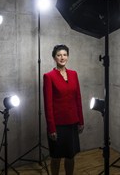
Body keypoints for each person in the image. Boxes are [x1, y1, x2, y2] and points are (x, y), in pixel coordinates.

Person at [43, 44, 84, 175]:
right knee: (56, 157)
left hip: (72, 122)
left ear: (68, 56)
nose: (62, 57)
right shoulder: (49, 76)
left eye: (65, 55)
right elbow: (47, 104)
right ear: (54, 57)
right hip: (58, 125)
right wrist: (51, 128)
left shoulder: (74, 74)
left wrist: (81, 121)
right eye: (59, 55)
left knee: (70, 156)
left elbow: (78, 98)